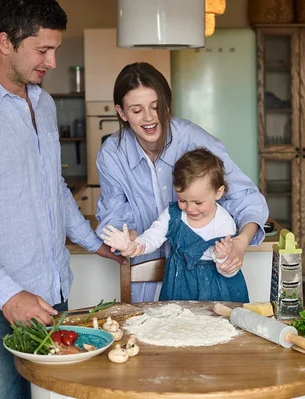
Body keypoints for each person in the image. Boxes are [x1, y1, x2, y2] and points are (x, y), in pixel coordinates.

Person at [0, 1, 125, 398]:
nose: (52, 62)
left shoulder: (44, 105)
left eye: (55, 49)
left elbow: (54, 188)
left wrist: (94, 243)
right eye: (42, 50)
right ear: (5, 43)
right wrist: (9, 296)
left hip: (51, 295)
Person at [96, 62, 269, 302]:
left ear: (167, 106)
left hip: (208, 281)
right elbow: (113, 213)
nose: (148, 118)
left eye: (155, 107)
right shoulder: (112, 154)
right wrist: (130, 237)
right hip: (145, 273)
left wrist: (241, 242)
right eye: (136, 110)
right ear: (122, 112)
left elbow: (245, 197)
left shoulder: (194, 140)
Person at [101, 148, 250, 302]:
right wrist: (133, 245)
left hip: (217, 292)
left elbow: (230, 271)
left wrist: (222, 258)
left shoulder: (224, 224)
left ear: (218, 193)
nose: (190, 208)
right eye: (182, 200)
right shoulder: (172, 215)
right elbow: (153, 237)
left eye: (198, 202)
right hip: (178, 287)